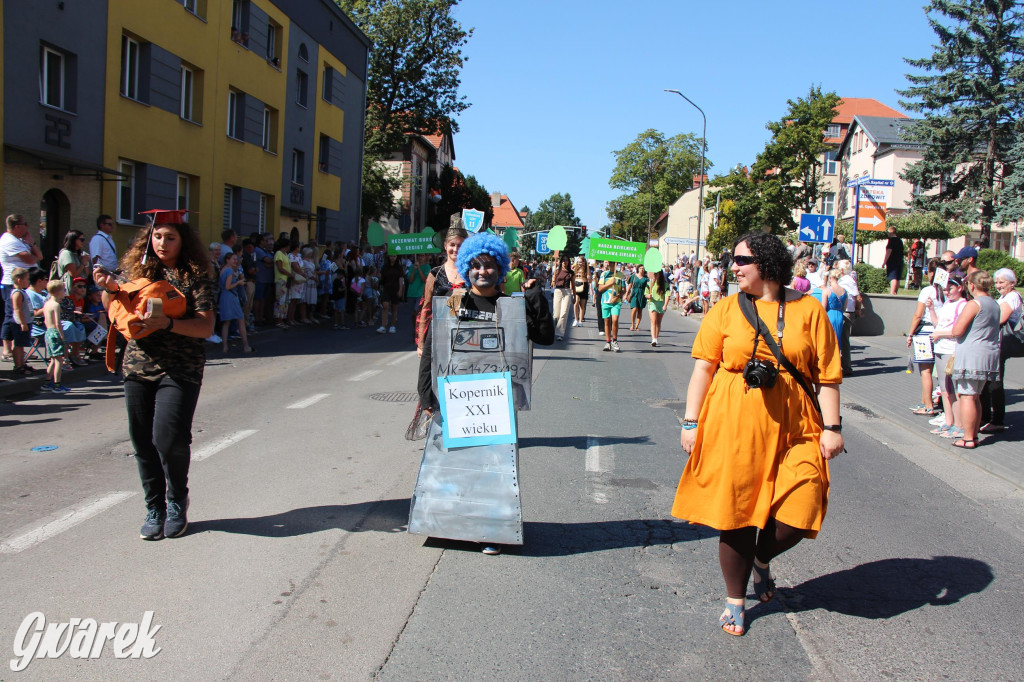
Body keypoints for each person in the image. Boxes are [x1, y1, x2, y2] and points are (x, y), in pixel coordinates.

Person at [672, 231, 843, 637]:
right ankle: (736, 600)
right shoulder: (727, 309)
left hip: (797, 425)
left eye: (740, 260)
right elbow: (703, 368)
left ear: (765, 263)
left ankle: (761, 561)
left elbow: (829, 376)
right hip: (735, 423)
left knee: (802, 508)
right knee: (736, 513)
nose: (733, 267)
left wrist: (833, 429)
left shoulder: (809, 310)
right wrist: (691, 422)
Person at [415, 232, 553, 555]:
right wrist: (426, 396)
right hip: (456, 401)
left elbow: (545, 336)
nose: (482, 271)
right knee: (455, 464)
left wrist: (537, 299)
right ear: (466, 267)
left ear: (501, 268)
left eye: (490, 266)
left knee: (494, 469)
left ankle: (492, 530)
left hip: (496, 405)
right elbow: (433, 350)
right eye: (475, 265)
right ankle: (450, 526)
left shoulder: (511, 305)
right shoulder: (453, 301)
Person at [94, 210, 214, 540]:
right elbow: (113, 305)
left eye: (170, 237)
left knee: (168, 437)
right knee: (141, 440)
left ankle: (176, 501)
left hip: (181, 367)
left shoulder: (195, 277)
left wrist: (170, 324)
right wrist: (107, 287)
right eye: (157, 236)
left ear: (182, 240)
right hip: (137, 365)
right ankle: (154, 507)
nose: (162, 243)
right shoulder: (135, 270)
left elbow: (206, 326)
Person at [931, 270, 1000, 449]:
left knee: (966, 396)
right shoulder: (994, 303)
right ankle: (973, 435)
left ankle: (968, 438)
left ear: (971, 285)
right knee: (975, 396)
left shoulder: (974, 304)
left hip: (971, 354)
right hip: (988, 353)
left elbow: (957, 330)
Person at [978, 268, 1023, 433]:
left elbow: (1000, 319)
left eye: (1002, 282)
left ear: (1012, 283)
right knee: (990, 381)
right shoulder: (1005, 296)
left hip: (1002, 344)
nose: (998, 286)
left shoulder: (1012, 297)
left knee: (994, 382)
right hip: (997, 343)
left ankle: (996, 420)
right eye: (996, 282)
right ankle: (988, 417)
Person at [926, 277, 968, 439]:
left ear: (960, 288)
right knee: (944, 389)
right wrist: (931, 309)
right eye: (945, 289)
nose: (947, 292)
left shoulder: (963, 305)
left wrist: (940, 334)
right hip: (940, 348)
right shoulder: (947, 305)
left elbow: (958, 330)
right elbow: (938, 324)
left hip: (952, 349)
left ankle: (959, 424)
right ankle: (949, 421)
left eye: (951, 288)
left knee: (955, 389)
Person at [416, 224, 468, 356]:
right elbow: (426, 307)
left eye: (460, 245)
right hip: (437, 333)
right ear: (445, 246)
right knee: (428, 375)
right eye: (452, 244)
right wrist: (421, 343)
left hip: (464, 335)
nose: (455, 249)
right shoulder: (435, 273)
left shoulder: (471, 273)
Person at [905, 258, 944, 415]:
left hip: (924, 333)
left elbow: (918, 314)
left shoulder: (927, 291)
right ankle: (924, 401)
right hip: (941, 332)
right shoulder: (947, 291)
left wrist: (910, 333)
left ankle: (928, 406)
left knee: (925, 371)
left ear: (932, 273)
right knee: (935, 370)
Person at [2, 214, 43, 362]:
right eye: (25, 224)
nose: (27, 227)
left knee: (22, 314)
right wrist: (31, 247)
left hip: (24, 283)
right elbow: (31, 258)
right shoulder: (8, 240)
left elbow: (39, 256)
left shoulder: (21, 241)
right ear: (17, 226)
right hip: (12, 284)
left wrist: (31, 244)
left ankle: (18, 348)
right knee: (12, 317)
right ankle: (7, 350)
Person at [218, 251, 253, 353]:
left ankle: (225, 347)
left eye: (236, 259)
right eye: (233, 259)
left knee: (226, 322)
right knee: (240, 320)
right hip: (231, 297)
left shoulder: (223, 270)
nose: (235, 261)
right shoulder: (229, 271)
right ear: (227, 260)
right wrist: (238, 282)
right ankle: (246, 346)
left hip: (224, 297)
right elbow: (228, 286)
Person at [1, 267, 35, 375]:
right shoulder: (17, 293)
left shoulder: (22, 292)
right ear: (19, 280)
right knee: (18, 345)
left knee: (21, 345)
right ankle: (18, 366)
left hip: (25, 322)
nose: (29, 281)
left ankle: (22, 363)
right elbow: (17, 309)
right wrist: (22, 323)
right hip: (19, 323)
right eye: (27, 279)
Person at [40, 280, 70, 394]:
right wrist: (62, 336)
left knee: (53, 359)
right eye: (63, 290)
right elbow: (58, 323)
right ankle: (57, 385)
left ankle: (47, 383)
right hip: (55, 333)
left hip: (48, 332)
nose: (64, 292)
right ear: (57, 292)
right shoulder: (56, 305)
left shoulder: (47, 303)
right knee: (59, 360)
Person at [835, 260, 861, 376]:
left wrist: (858, 310)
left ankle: (846, 367)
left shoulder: (847, 280)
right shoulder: (844, 279)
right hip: (844, 311)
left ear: (841, 270)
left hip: (847, 312)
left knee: (844, 340)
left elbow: (858, 297)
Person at [598, 261, 625, 352]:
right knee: (607, 321)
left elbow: (623, 290)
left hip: (616, 302)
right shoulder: (604, 274)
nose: (611, 265)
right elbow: (600, 288)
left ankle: (615, 340)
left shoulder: (620, 275)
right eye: (610, 263)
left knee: (615, 320)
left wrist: (617, 297)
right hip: (605, 301)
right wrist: (610, 283)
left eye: (613, 263)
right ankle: (608, 342)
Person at [820, 270, 847, 351]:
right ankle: (838, 357)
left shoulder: (827, 290)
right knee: (838, 338)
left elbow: (823, 308)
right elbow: (844, 308)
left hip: (829, 315)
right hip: (839, 315)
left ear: (830, 278)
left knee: (828, 339)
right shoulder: (844, 291)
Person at [378, 253, 405, 334]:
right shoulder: (385, 266)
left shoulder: (399, 267)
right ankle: (383, 325)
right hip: (386, 288)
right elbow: (382, 278)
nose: (392, 258)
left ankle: (393, 325)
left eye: (394, 256)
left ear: (396, 257)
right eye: (391, 256)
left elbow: (401, 278)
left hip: (395, 288)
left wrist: (400, 289)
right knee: (385, 306)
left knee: (394, 308)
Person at [551, 254, 573, 341]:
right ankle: (558, 328)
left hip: (567, 292)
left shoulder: (571, 273)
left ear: (568, 262)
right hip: (558, 291)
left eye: (566, 260)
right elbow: (553, 285)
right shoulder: (557, 271)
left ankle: (560, 334)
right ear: (561, 262)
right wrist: (553, 279)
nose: (565, 262)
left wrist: (574, 296)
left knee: (563, 313)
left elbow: (573, 285)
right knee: (556, 315)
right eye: (563, 260)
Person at [645, 268, 667, 347]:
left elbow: (667, 295)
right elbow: (646, 293)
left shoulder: (664, 284)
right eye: (654, 273)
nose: (655, 275)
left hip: (661, 303)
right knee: (653, 320)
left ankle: (656, 337)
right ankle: (653, 339)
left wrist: (665, 305)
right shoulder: (650, 283)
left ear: (660, 274)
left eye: (656, 273)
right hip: (652, 303)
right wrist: (648, 295)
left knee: (658, 322)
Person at [625, 265, 648, 333]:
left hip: (642, 294)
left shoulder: (646, 278)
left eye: (643, 268)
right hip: (634, 293)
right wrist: (626, 294)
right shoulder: (634, 276)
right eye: (640, 268)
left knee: (640, 310)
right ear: (638, 269)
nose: (642, 269)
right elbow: (630, 285)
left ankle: (637, 325)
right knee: (634, 308)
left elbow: (649, 286)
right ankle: (632, 324)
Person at [883, 226, 904, 295]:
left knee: (893, 277)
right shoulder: (900, 240)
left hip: (892, 262)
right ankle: (895, 292)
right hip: (899, 261)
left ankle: (892, 293)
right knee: (897, 278)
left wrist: (884, 262)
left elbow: (889, 251)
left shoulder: (891, 240)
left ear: (891, 233)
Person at [572, 256, 589, 326]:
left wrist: (589, 278)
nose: (579, 263)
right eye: (578, 262)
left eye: (581, 262)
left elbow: (589, 280)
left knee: (582, 305)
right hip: (577, 286)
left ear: (583, 262)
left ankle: (580, 321)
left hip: (584, 287)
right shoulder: (575, 269)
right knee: (575, 303)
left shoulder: (586, 270)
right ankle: (576, 319)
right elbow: (572, 279)